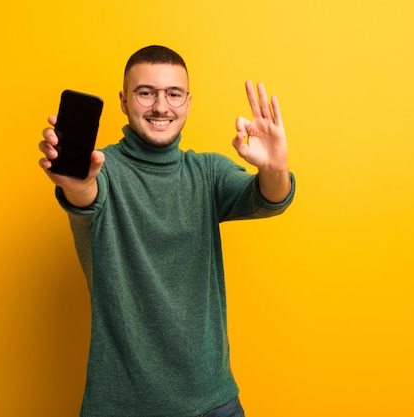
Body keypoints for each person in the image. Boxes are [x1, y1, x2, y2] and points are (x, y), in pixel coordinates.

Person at [38, 45, 295, 417]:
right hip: (123, 407)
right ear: (124, 102)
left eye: (173, 94)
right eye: (146, 93)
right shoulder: (103, 171)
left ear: (188, 103)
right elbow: (85, 195)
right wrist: (74, 184)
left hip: (214, 404)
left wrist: (275, 166)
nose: (162, 106)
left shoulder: (207, 173)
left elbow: (271, 198)